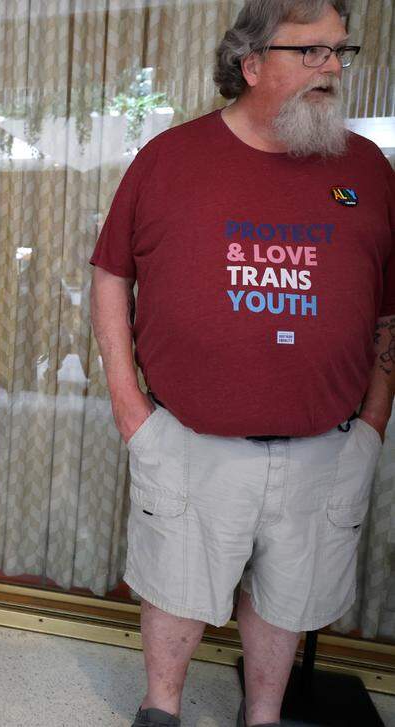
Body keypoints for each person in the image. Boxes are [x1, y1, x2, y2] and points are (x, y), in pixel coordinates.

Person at [89, 2, 393, 726]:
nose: (332, 69)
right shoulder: (170, 157)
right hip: (190, 440)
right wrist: (131, 409)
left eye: (339, 53)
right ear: (250, 65)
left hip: (325, 442)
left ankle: (262, 715)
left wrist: (375, 419)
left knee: (289, 594)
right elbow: (110, 274)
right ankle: (160, 707)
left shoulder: (367, 168)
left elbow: (388, 304)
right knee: (175, 587)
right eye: (311, 52)